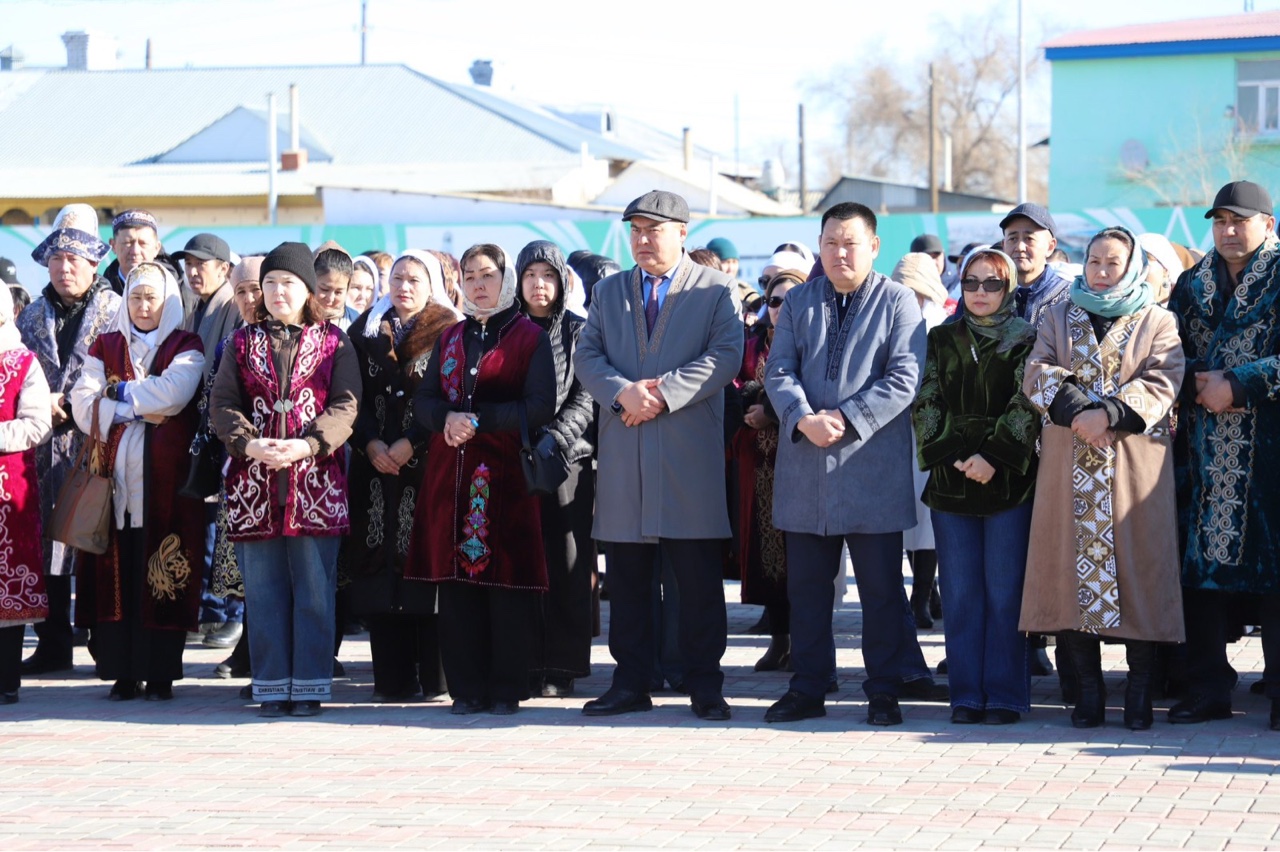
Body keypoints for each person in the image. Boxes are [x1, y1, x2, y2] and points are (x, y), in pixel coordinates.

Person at [763, 202, 941, 726]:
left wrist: (845, 416)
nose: (840, 252)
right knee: (808, 592)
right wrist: (801, 417)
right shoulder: (798, 301)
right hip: (807, 467)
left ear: (874, 247)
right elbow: (779, 371)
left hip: (872, 469)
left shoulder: (898, 304)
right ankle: (808, 687)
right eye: (830, 242)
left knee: (883, 592)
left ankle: (883, 690)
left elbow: (905, 378)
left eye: (850, 242)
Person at [574, 190, 743, 722]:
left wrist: (662, 393)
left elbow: (725, 355)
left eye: (655, 230)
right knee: (627, 578)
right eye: (636, 231)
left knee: (695, 579)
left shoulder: (714, 290)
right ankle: (630, 682)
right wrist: (622, 391)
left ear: (682, 233)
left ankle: (705, 684)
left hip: (685, 452)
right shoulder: (609, 291)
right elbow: (587, 353)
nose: (643, 241)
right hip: (626, 451)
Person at [1022, 226, 1185, 730]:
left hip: (1134, 465)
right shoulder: (1057, 314)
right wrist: (1079, 414)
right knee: (1068, 575)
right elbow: (1037, 370)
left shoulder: (1157, 319)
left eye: (1112, 263)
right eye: (1094, 261)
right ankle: (1088, 696)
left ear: (1132, 266)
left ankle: (1138, 694)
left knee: (1140, 572)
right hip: (1068, 463)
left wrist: (1109, 415)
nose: (1100, 271)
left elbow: (1164, 378)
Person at [210, 242, 359, 718]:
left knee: (314, 591)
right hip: (255, 484)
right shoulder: (240, 342)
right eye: (270, 282)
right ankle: (271, 685)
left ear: (308, 290)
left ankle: (310, 685)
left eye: (288, 283)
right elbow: (223, 403)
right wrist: (248, 444)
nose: (277, 292)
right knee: (265, 591)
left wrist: (308, 445)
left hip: (315, 481)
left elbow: (345, 405)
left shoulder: (335, 342)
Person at [408, 243, 555, 716]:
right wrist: (446, 418)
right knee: (456, 587)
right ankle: (465, 688)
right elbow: (424, 399)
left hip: (504, 479)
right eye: (469, 276)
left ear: (504, 279)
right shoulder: (450, 337)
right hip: (449, 477)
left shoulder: (529, 337)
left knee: (504, 584)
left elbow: (539, 406)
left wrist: (479, 419)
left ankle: (505, 688)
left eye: (487, 275)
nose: (478, 284)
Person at [1166, 180, 1280, 730]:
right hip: (1203, 449)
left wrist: (1241, 383)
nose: (1229, 231)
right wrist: (1195, 383)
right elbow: (1163, 353)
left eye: (1240, 220)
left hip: (1270, 451)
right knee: (1199, 573)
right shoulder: (1191, 284)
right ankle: (1207, 686)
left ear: (1268, 225)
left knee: (1276, 574)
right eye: (1219, 221)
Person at [913, 247, 1040, 725]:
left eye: (992, 283)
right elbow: (925, 399)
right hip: (951, 481)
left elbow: (1028, 402)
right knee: (961, 595)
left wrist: (993, 457)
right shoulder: (941, 337)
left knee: (1005, 593)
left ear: (1008, 289)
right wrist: (954, 455)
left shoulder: (1027, 338)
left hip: (1009, 482)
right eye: (971, 282)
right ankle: (965, 694)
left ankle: (1005, 694)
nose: (981, 292)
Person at [69, 262, 207, 701]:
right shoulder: (105, 346)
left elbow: (175, 393)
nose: (143, 307)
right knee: (118, 570)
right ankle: (122, 672)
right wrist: (139, 407)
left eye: (152, 298)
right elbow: (80, 401)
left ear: (168, 302)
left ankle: (161, 672)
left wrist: (117, 397)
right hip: (113, 485)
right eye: (135, 297)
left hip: (163, 488)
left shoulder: (186, 344)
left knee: (159, 570)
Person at [346, 250, 459, 702]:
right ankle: (391, 677)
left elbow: (451, 395)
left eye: (414, 279)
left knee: (426, 566)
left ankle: (435, 677)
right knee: (379, 568)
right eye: (396, 278)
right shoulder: (365, 331)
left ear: (431, 283)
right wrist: (371, 443)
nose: (403, 287)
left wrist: (411, 441)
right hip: (375, 468)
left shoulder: (450, 331)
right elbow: (348, 397)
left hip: (429, 463)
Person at [16, 204, 121, 675]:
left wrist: (78, 403)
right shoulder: (31, 315)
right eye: (57, 259)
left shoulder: (117, 309)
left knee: (99, 540)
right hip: (42, 446)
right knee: (47, 544)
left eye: (74, 259)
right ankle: (54, 641)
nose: (64, 267)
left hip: (101, 441)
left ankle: (104, 642)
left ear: (94, 262)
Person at [514, 240, 597, 698]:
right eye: (530, 275)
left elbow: (588, 396)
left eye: (548, 275)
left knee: (567, 562)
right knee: (523, 559)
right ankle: (526, 660)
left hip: (570, 463)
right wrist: (524, 437)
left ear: (563, 281)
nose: (538, 285)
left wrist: (555, 439)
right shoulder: (508, 330)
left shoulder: (581, 332)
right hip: (518, 458)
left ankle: (563, 666)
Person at [731, 269, 805, 672]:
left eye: (791, 301)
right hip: (756, 462)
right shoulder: (750, 345)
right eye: (774, 301)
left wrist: (772, 413)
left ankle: (807, 643)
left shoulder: (815, 344)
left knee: (805, 556)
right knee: (764, 551)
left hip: (800, 459)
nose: (780, 309)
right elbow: (731, 385)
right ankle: (779, 639)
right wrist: (751, 407)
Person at [173, 231, 244, 651]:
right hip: (196, 428)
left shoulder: (232, 305)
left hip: (224, 429)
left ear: (224, 269)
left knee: (225, 527)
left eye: (203, 264)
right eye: (189, 264)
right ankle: (210, 608)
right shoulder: (190, 306)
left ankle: (228, 612)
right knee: (205, 526)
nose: (194, 271)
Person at [892, 252, 951, 630]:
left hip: (932, 433)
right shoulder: (884, 322)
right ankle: (925, 593)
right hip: (893, 432)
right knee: (905, 518)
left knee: (927, 518)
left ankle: (921, 597)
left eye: (916, 290)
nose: (910, 297)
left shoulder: (943, 326)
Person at [0, 282, 53, 705]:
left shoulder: (22, 362)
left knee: (8, 583)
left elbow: (37, 424)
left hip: (9, 495)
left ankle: (6, 680)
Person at [1000, 203, 1072, 327]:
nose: (1020, 247)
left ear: (1050, 247)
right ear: (1003, 245)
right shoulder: (988, 292)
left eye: (1029, 239)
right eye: (1012, 239)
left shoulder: (1069, 297)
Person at [102, 210, 179, 298]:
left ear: (157, 248)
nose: (135, 251)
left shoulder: (177, 291)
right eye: (128, 243)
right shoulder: (101, 293)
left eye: (143, 243)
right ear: (113, 246)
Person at [314, 241, 359, 330]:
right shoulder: (294, 319)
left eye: (338, 292)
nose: (330, 298)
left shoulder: (356, 323)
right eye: (324, 289)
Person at [706, 236, 757, 306]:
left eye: (734, 262)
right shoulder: (703, 290)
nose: (731, 268)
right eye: (726, 262)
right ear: (713, 263)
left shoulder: (746, 292)